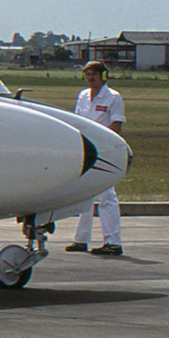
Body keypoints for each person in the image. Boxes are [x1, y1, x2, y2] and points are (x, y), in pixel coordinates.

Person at [65, 60, 125, 256]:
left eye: (94, 75)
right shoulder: (83, 95)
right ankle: (81, 240)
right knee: (85, 194)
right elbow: (77, 120)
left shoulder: (113, 97)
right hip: (85, 150)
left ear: (103, 76)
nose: (91, 78)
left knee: (107, 196)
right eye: (88, 75)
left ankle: (113, 242)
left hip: (104, 150)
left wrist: (103, 142)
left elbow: (116, 124)